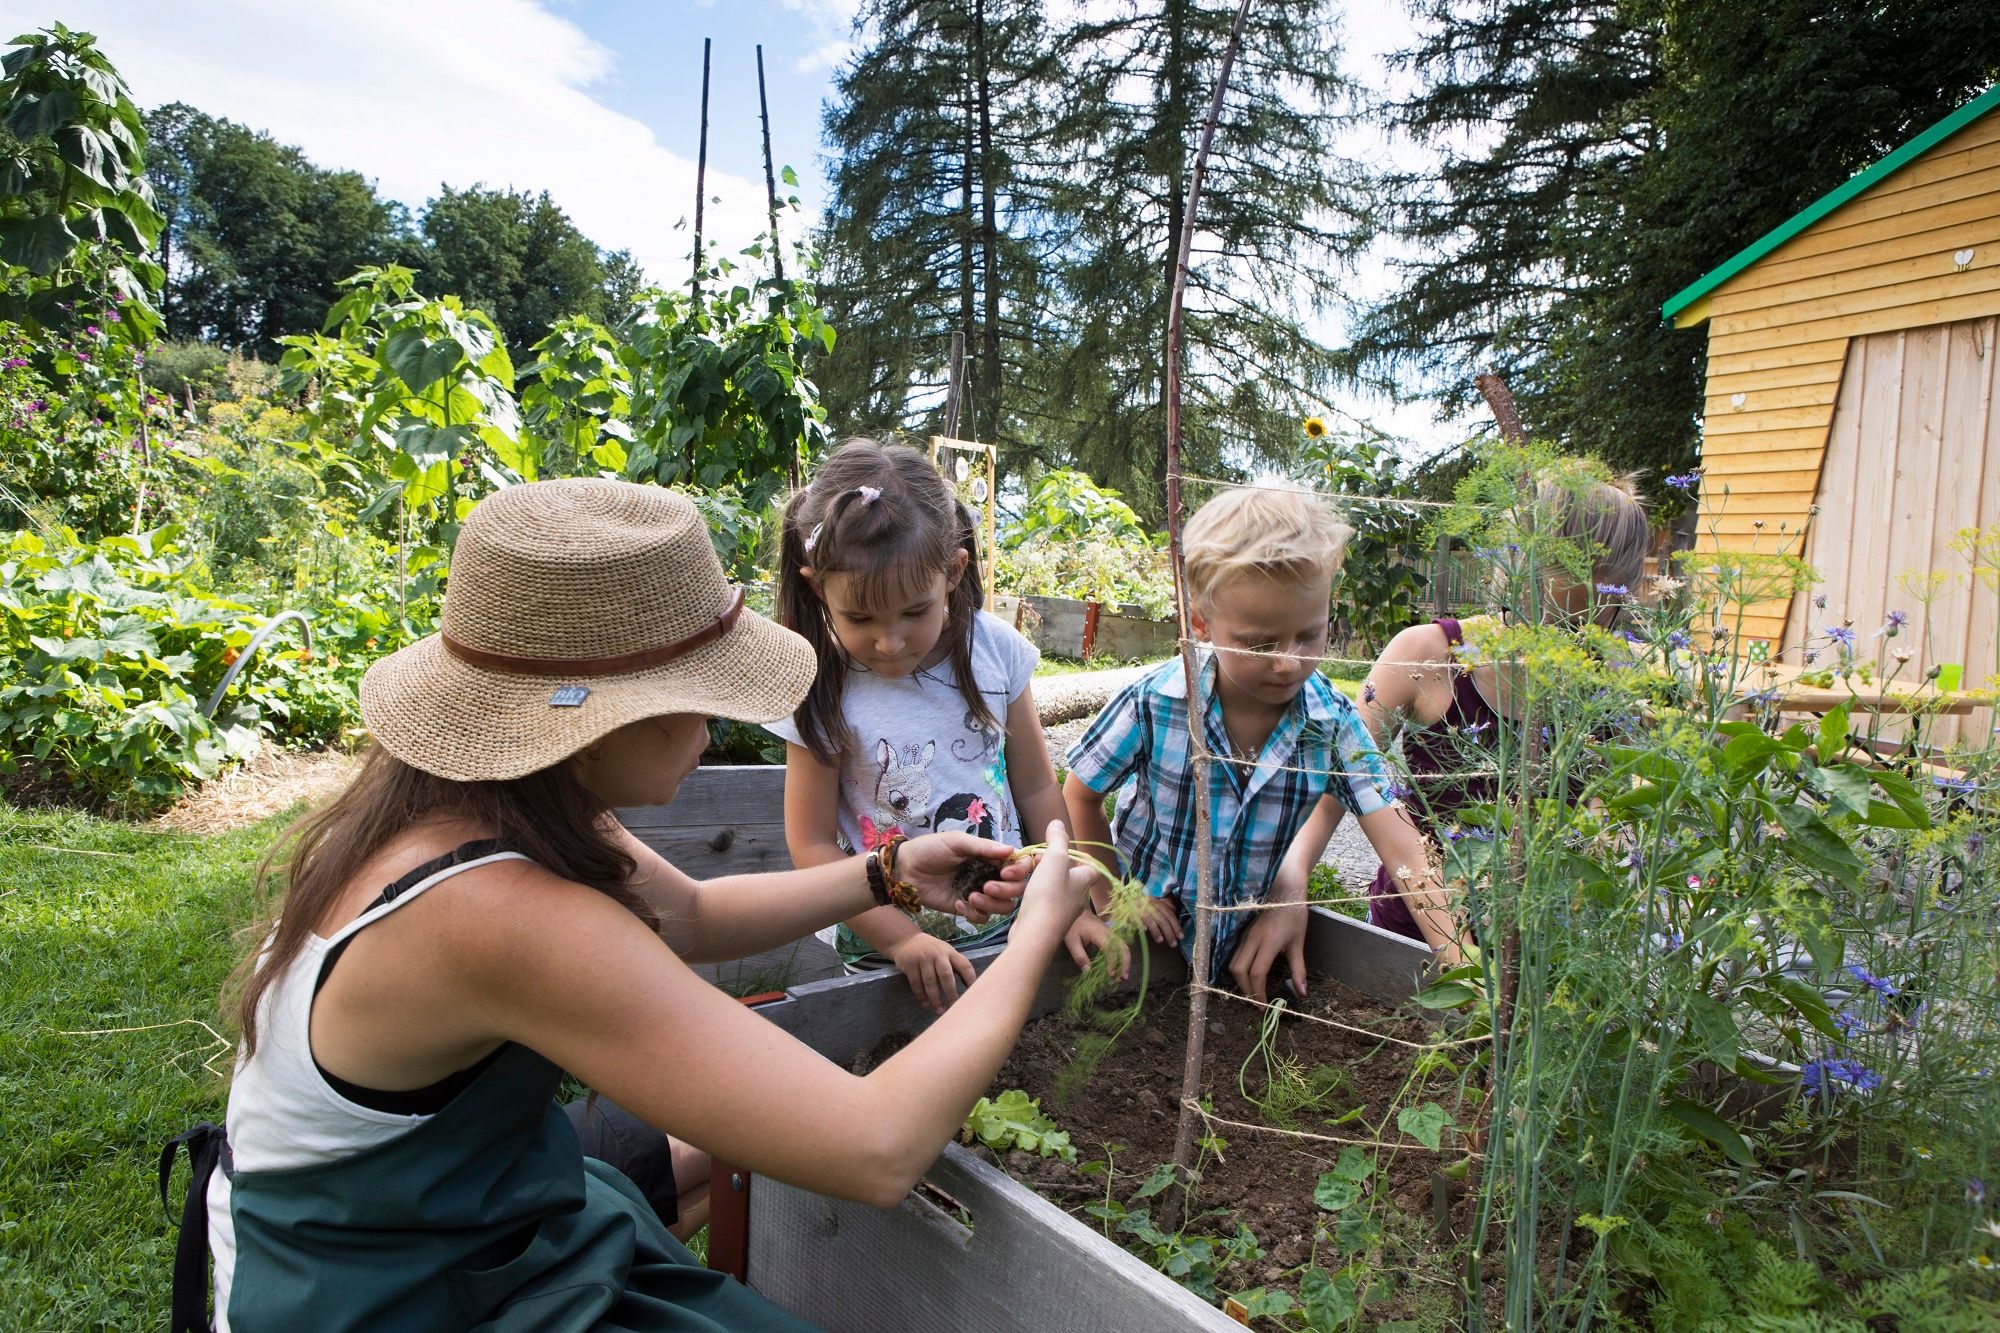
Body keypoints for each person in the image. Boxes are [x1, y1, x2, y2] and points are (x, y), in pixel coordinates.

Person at [164, 478, 1093, 1332]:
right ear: (603, 719)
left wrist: (888, 873)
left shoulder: (489, 802)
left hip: (448, 1204)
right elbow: (879, 1148)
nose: (716, 727)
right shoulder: (503, 914)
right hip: (389, 1293)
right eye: (702, 699)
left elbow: (691, 916)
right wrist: (1032, 938)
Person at [1061, 485, 1450, 1001]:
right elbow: (1079, 794)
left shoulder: (1330, 722)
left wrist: (1459, 958)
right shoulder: (1157, 701)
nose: (1287, 662)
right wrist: (1114, 899)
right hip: (1147, 940)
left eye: (1308, 635)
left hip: (1247, 941)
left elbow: (1404, 848)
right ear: (1201, 622)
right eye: (1259, 643)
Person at [768, 440, 1067, 1015]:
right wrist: (901, 938)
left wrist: (1068, 899)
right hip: (885, 949)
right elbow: (809, 843)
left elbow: (1034, 788)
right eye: (859, 618)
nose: (890, 641)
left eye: (914, 612)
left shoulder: (995, 651)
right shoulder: (817, 682)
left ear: (954, 572)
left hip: (1007, 922)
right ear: (815, 586)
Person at [1357, 474, 1648, 951]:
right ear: (1512, 571)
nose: (1556, 648)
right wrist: (1292, 875)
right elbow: (1344, 767)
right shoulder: (1428, 653)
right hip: (1412, 933)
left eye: (1585, 631)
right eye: (1544, 621)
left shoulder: (1612, 682)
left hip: (1540, 948)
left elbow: (1607, 809)